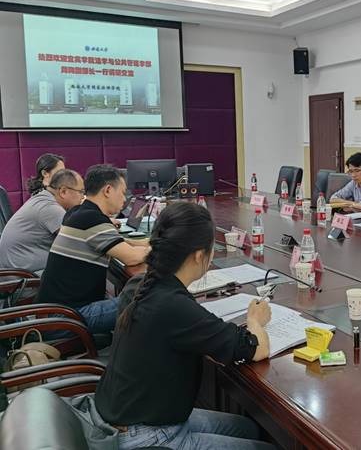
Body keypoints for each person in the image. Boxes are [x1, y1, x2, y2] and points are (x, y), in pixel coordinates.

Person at [95, 202, 273, 450]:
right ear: (199, 255)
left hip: (130, 415)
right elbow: (256, 348)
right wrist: (255, 320)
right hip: (148, 437)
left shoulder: (143, 283)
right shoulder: (172, 305)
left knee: (248, 428)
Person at [36, 165, 149, 335]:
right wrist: (165, 247)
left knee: (138, 296)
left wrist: (146, 243)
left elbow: (120, 242)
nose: (124, 199)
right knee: (149, 298)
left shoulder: (78, 212)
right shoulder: (92, 218)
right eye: (122, 192)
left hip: (52, 312)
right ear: (108, 190)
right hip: (66, 318)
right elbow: (132, 258)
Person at [0, 169, 84, 274]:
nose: (83, 197)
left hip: (19, 271)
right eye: (81, 192)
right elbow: (78, 242)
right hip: (25, 277)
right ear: (63, 191)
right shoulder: (49, 208)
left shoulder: (43, 198)